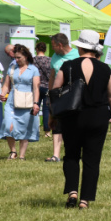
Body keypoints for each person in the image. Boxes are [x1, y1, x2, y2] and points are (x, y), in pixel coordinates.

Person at [51, 30, 111, 210]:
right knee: (92, 159)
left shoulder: (67, 66)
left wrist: (52, 117)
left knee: (72, 155)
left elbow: (55, 92)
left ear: (80, 46)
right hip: (98, 117)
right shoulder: (106, 69)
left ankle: (72, 192)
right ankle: (85, 200)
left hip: (73, 116)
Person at [0, 44, 40, 160]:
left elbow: (36, 88)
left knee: (24, 128)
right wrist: (3, 93)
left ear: (26, 56)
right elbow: (7, 84)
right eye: (15, 57)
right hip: (11, 101)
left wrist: (36, 103)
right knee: (8, 125)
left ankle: (21, 155)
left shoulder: (34, 69)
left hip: (27, 102)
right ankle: (13, 151)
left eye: (19, 58)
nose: (16, 60)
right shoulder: (12, 68)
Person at [46, 33, 79, 163]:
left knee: (74, 124)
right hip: (58, 93)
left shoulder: (77, 54)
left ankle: (74, 152)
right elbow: (52, 76)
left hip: (74, 94)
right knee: (57, 123)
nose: (52, 49)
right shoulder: (55, 56)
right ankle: (55, 155)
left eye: (53, 46)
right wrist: (50, 93)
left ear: (60, 45)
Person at [33, 42, 52, 138]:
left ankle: (33, 130)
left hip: (36, 86)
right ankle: (47, 132)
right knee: (46, 110)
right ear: (45, 49)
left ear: (36, 49)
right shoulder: (50, 60)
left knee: (34, 108)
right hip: (47, 86)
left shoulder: (33, 60)